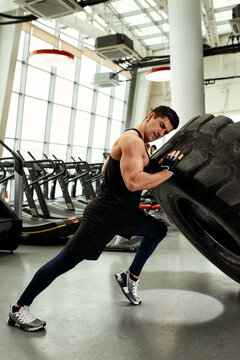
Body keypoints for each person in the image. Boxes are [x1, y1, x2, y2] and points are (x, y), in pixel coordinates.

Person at [8, 105, 183, 332]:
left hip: (125, 214)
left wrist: (154, 165)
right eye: (161, 125)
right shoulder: (133, 141)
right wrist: (167, 172)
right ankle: (19, 308)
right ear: (150, 116)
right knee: (63, 263)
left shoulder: (140, 144)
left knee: (157, 230)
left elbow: (104, 170)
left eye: (166, 132)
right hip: (104, 217)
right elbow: (133, 182)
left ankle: (130, 277)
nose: (162, 133)